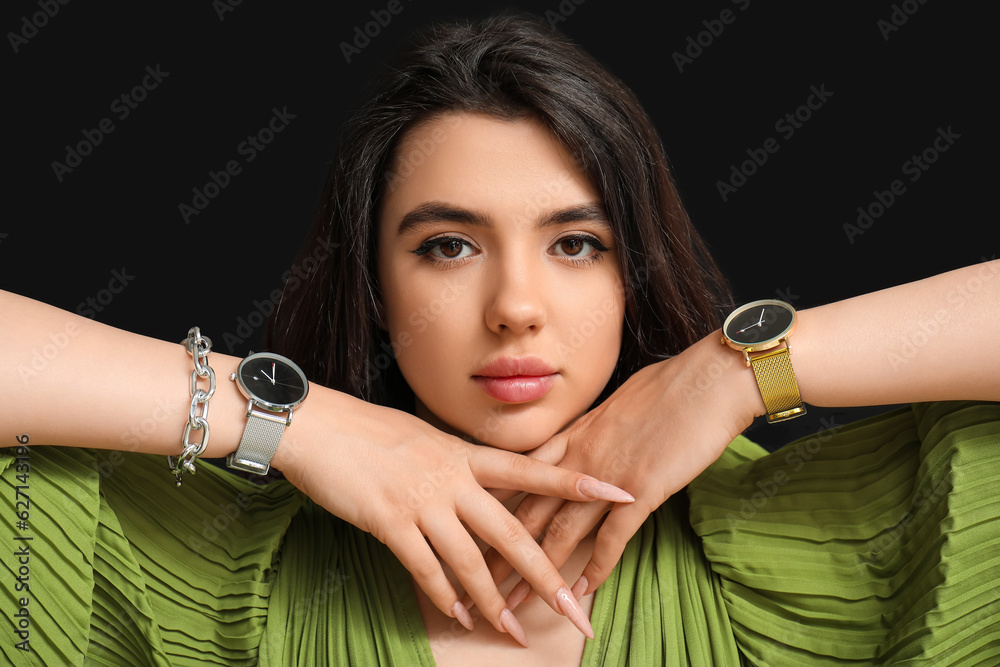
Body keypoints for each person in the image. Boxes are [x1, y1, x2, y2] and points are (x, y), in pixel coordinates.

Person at [2, 10, 998, 666]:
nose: (516, 305)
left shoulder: (802, 557)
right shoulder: (224, 581)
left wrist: (740, 365)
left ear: (632, 275)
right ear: (376, 287)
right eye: (446, 245)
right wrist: (291, 421)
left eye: (574, 242)